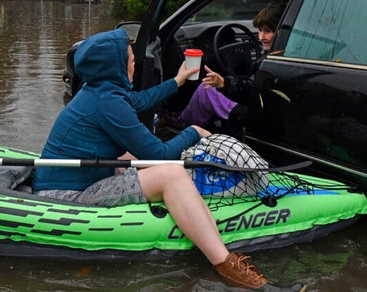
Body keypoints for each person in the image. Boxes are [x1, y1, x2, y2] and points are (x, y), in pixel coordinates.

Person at [32, 28, 268, 289]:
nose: (134, 63)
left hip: (76, 179)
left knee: (133, 156)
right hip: (66, 197)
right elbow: (160, 155)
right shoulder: (108, 102)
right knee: (172, 173)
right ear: (116, 66)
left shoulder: (99, 89)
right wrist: (194, 131)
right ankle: (228, 266)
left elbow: (139, 100)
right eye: (131, 59)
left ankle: (192, 209)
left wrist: (178, 79)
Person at [176, 1, 287, 139]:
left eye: (267, 31)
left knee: (205, 89)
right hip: (264, 111)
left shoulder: (271, 62)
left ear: (280, 32)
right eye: (260, 30)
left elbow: (249, 92)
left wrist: (224, 84)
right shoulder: (286, 53)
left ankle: (182, 126)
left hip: (250, 112)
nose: (261, 37)